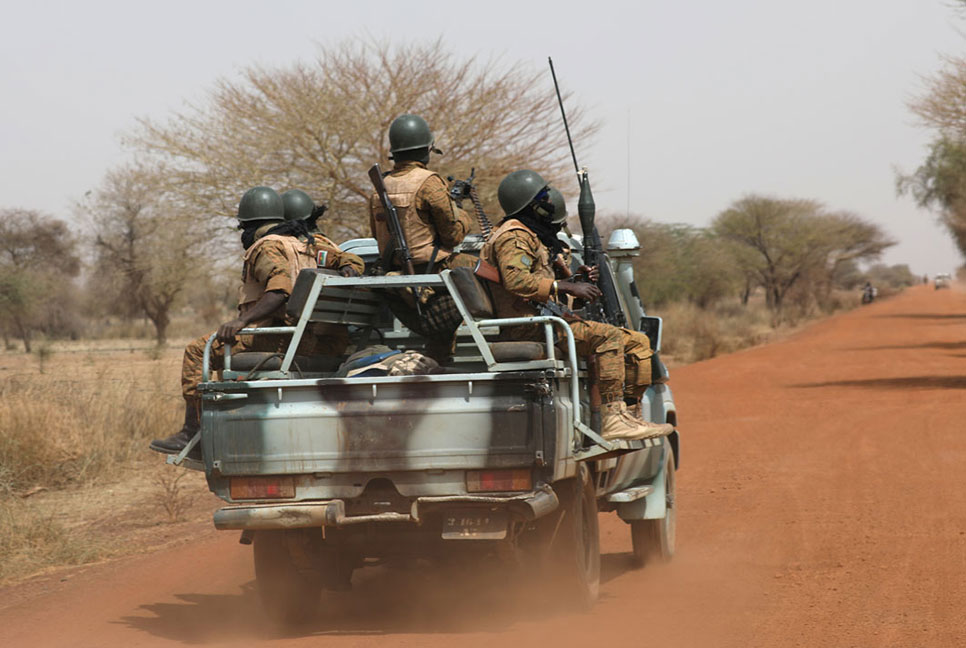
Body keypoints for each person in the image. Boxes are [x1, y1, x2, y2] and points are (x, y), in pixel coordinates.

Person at [149, 186, 362, 457]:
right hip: (321, 339)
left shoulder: (267, 246)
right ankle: (208, 428)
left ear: (249, 225)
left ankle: (193, 434)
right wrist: (348, 268)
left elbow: (279, 290)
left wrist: (242, 321)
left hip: (286, 338)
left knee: (197, 350)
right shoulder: (313, 244)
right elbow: (346, 259)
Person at [481, 170, 674, 441]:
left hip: (546, 322)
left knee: (638, 342)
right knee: (607, 336)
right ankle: (613, 418)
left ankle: (630, 415)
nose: (549, 202)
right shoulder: (514, 236)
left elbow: (541, 283)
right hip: (529, 327)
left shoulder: (532, 236)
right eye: (543, 197)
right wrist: (567, 286)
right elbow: (516, 281)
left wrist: (574, 280)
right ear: (530, 205)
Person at [367, 114, 476, 361]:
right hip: (432, 270)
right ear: (426, 150)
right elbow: (453, 235)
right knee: (486, 270)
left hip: (398, 274)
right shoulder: (430, 182)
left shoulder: (380, 186)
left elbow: (377, 235)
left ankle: (441, 359)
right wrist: (460, 211)